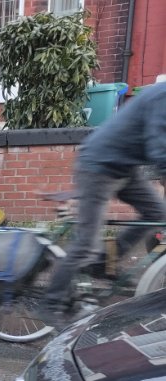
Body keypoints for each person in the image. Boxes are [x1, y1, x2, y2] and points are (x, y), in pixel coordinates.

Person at [40, 81, 166, 330]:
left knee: (157, 213)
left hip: (124, 167)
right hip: (98, 165)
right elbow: (159, 146)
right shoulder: (162, 97)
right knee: (86, 244)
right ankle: (51, 303)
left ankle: (105, 262)